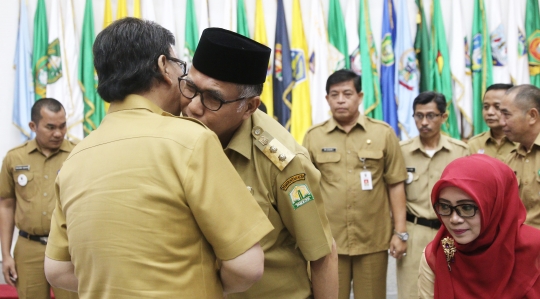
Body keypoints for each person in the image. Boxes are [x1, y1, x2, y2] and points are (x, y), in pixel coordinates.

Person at [43, 18, 273, 298]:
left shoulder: (74, 158)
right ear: (164, 66)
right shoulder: (191, 141)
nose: (183, 76)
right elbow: (247, 267)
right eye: (180, 66)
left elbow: (56, 270)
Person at [181, 28, 337, 299]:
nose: (193, 107)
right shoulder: (176, 135)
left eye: (213, 98)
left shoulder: (282, 161)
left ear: (250, 107)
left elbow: (322, 253)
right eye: (190, 88)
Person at [303, 69, 408, 299]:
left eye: (347, 93)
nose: (340, 99)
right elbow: (306, 190)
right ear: (327, 99)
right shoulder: (313, 137)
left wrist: (400, 233)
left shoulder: (384, 133)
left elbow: (396, 183)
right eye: (334, 94)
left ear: (360, 97)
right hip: (328, 242)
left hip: (372, 239)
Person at [418, 154, 540, 298]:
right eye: (444, 206)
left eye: (467, 208)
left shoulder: (535, 248)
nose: (454, 219)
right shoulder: (436, 255)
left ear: (495, 206)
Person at [0, 98, 78, 299]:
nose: (58, 133)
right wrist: (6, 255)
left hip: (68, 248)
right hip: (29, 248)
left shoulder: (79, 153)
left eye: (62, 126)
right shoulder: (14, 158)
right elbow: (6, 206)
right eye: (50, 127)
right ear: (33, 126)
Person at [397, 92, 468, 299]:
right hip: (414, 232)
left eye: (431, 116)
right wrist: (398, 233)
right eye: (418, 116)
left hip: (452, 233)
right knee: (411, 292)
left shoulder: (460, 152)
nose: (424, 122)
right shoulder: (402, 151)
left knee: (452, 290)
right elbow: (394, 193)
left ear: (444, 117)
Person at [500, 84, 540, 229]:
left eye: (507, 115)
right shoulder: (509, 159)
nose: (501, 122)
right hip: (521, 246)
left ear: (532, 116)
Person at [467, 84, 516, 160]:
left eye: (497, 107)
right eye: (486, 107)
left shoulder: (524, 143)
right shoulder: (474, 144)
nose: (490, 112)